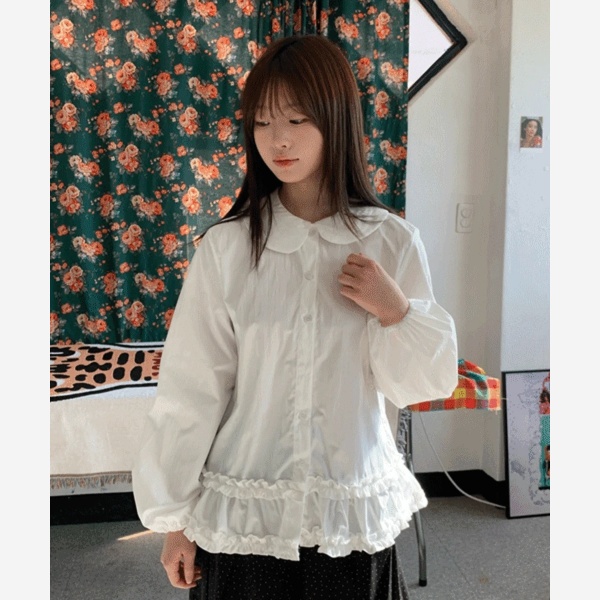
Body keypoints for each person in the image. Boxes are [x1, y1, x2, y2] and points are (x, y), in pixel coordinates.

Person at [132, 34, 458, 600]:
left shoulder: (392, 242)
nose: (277, 139)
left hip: (347, 518)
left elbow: (421, 385)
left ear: (336, 119)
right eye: (262, 122)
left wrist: (396, 311)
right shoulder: (227, 249)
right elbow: (191, 390)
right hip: (244, 519)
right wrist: (174, 520)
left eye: (297, 119)